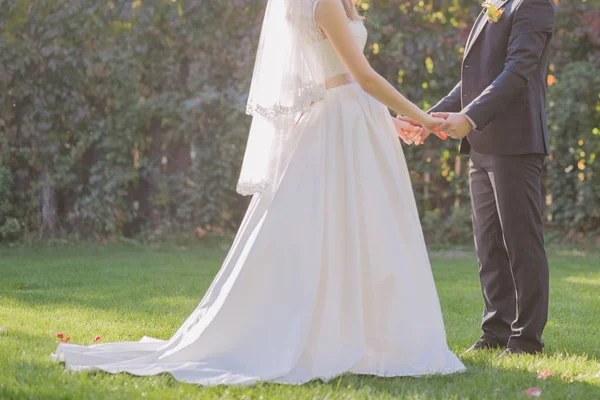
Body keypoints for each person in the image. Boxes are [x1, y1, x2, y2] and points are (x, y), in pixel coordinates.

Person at [53, 0, 465, 384]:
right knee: (322, 230)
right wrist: (422, 117)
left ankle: (369, 336)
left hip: (356, 121)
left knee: (366, 229)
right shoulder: (319, 3)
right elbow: (361, 76)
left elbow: (351, 83)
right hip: (338, 127)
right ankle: (318, 334)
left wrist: (390, 121)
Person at [404, 0, 555, 356]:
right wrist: (427, 119)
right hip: (481, 145)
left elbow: (519, 71)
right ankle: (495, 332)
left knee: (521, 243)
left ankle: (527, 339)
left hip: (515, 143)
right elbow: (476, 81)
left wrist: (469, 118)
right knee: (488, 246)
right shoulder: (495, 3)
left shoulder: (532, 4)